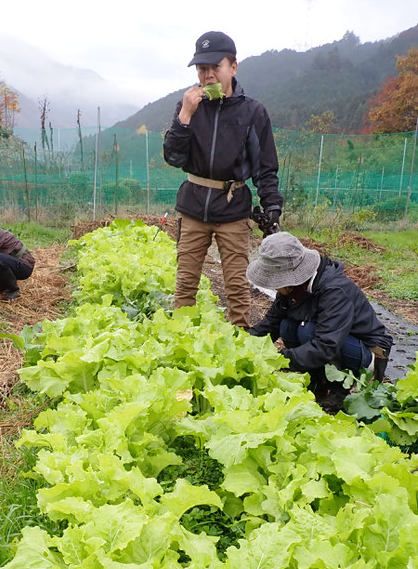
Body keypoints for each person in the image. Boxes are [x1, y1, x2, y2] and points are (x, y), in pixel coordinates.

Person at [163, 30, 283, 329]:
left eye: (215, 67)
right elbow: (173, 158)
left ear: (233, 67)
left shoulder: (252, 112)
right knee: (185, 283)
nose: (208, 75)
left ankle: (239, 344)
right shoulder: (188, 106)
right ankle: (182, 340)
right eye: (202, 69)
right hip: (194, 206)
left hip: (232, 209)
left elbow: (265, 167)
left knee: (237, 286)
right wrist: (185, 117)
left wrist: (272, 207)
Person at [246, 232, 393, 407]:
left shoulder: (334, 290)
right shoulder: (293, 290)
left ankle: (340, 390)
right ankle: (318, 382)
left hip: (365, 351)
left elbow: (326, 345)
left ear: (289, 278)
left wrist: (279, 359)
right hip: (333, 341)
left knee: (307, 331)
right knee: (287, 326)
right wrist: (243, 344)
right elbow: (271, 324)